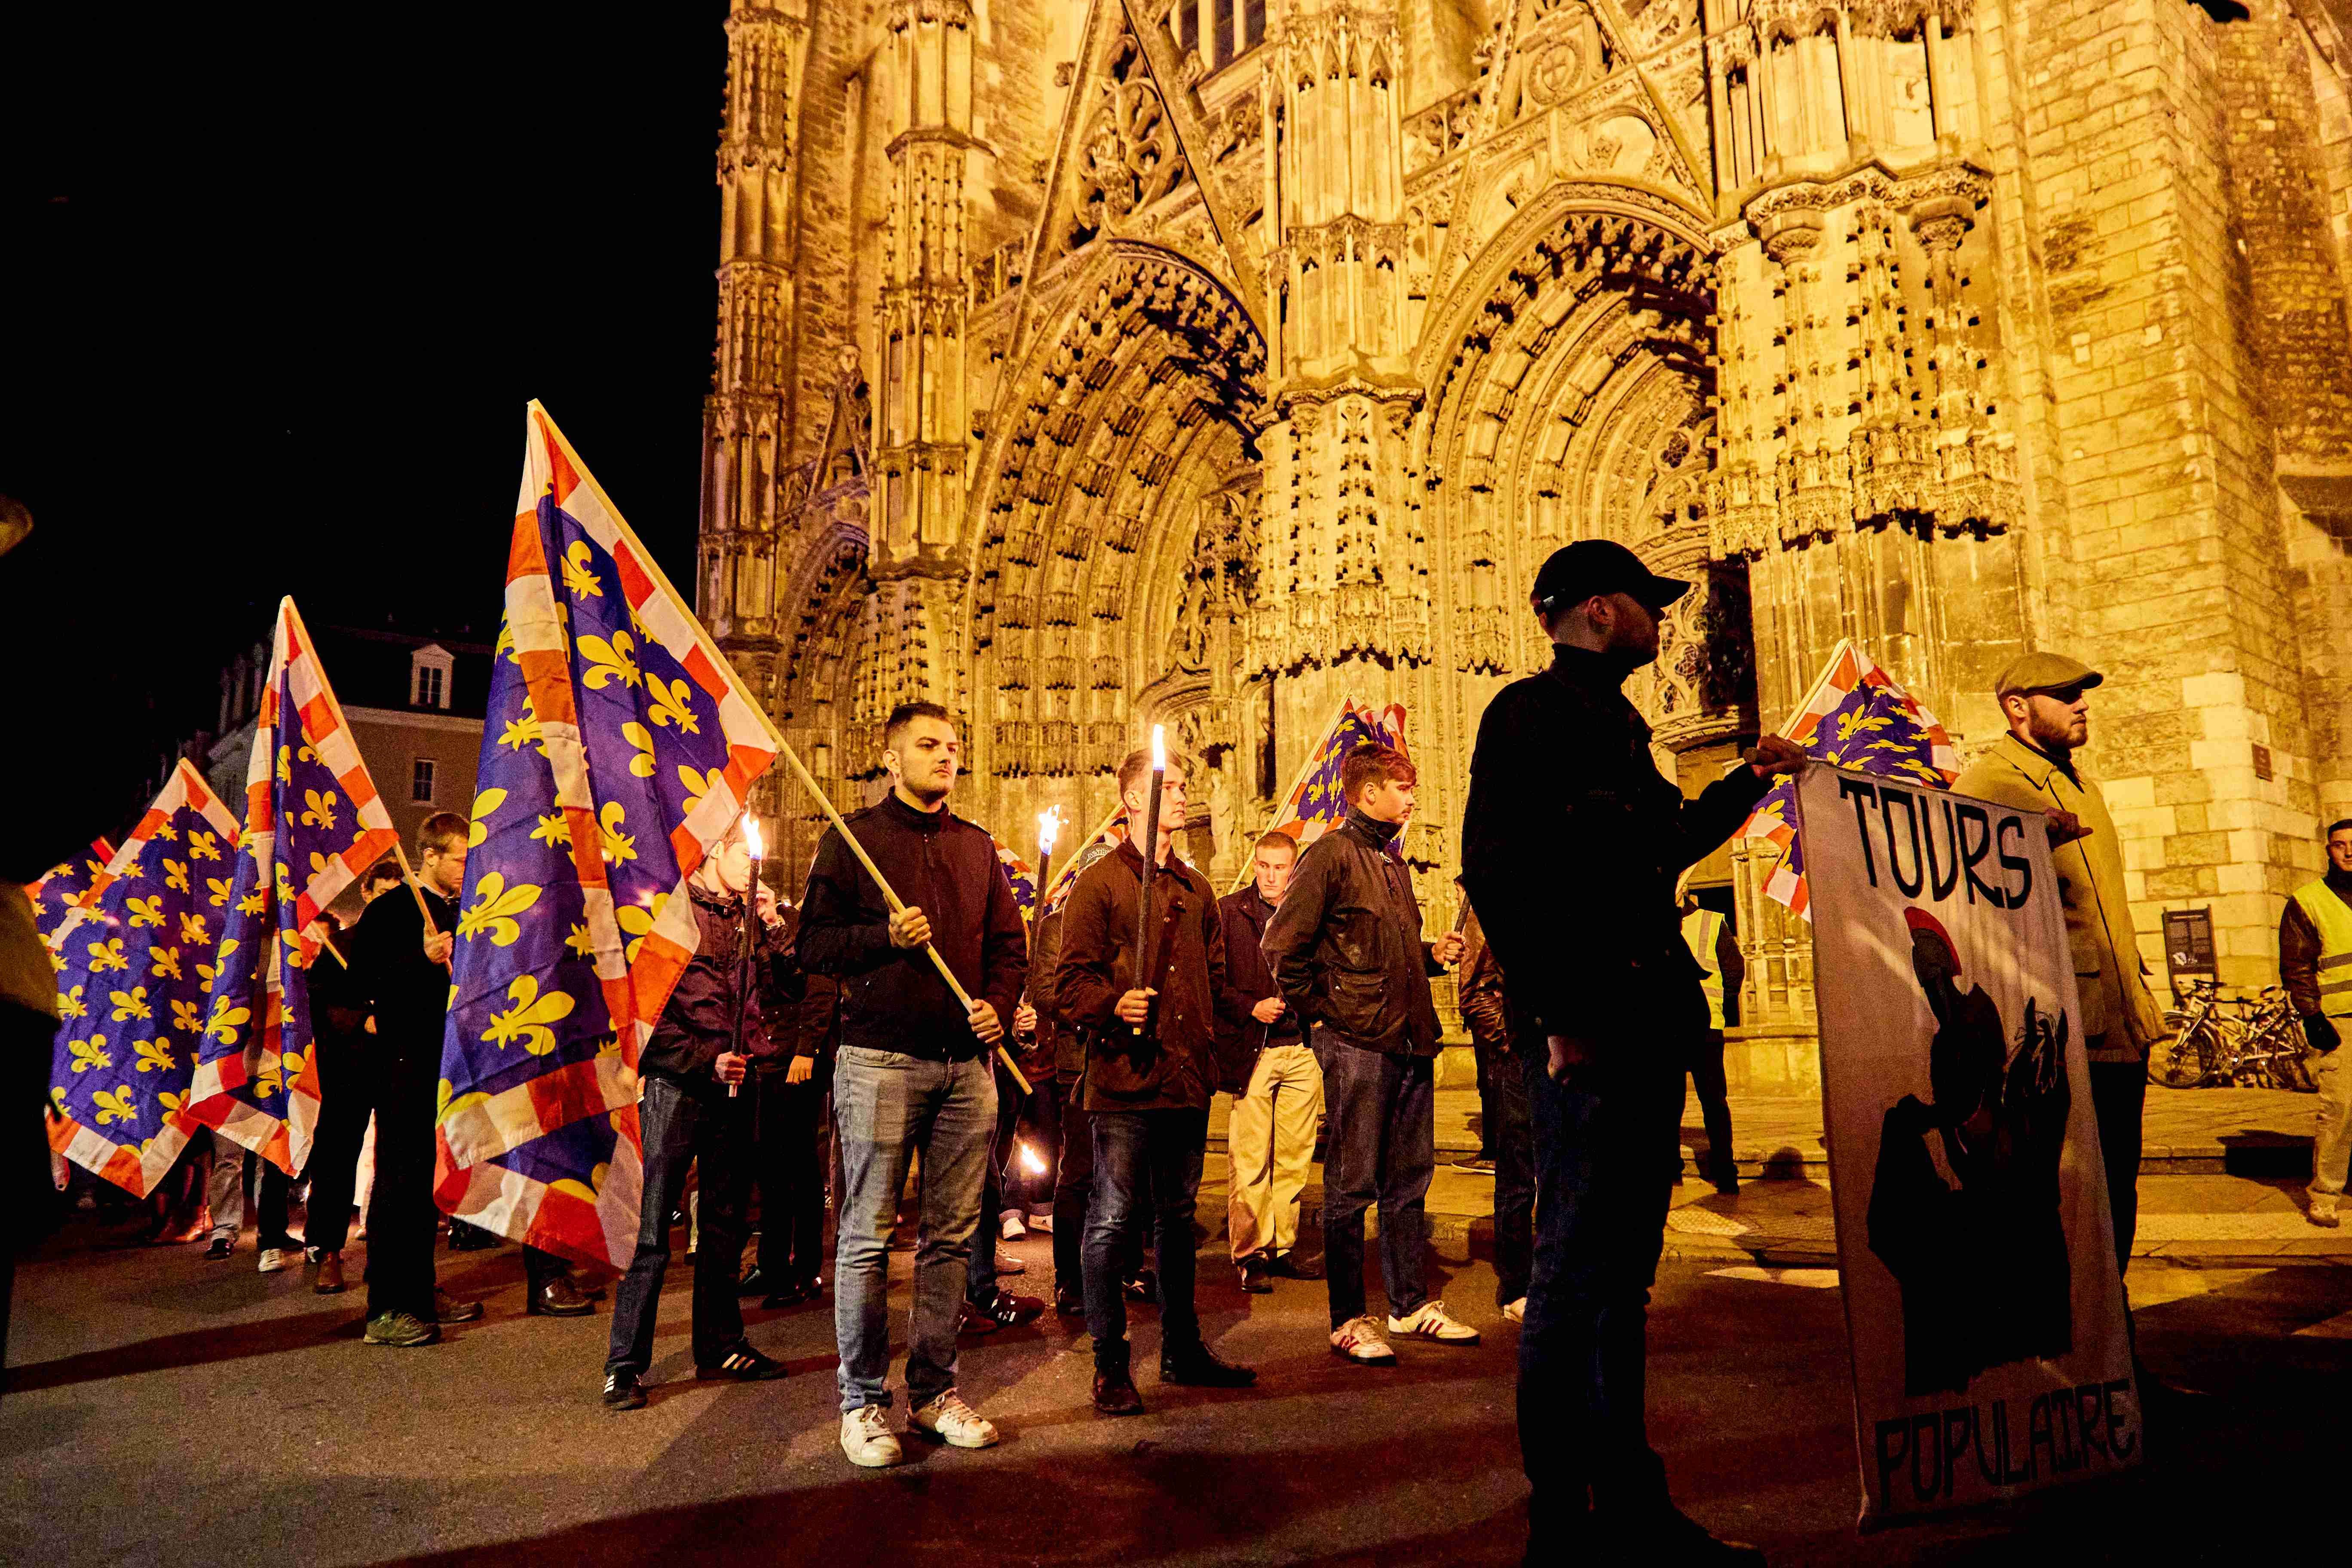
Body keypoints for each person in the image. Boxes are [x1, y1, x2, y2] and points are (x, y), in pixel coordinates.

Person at [1461, 539, 1803, 1564]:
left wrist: (1750, 779)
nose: (1663, 621)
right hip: (1590, 1033)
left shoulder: (1618, 726)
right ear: (1600, 611)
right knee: (1570, 1276)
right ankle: (1560, 1521)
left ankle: (1630, 1500)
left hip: (1650, 1023)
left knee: (1623, 1277)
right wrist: (1559, 1016)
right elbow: (1496, 874)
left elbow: (1667, 840)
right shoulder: (1526, 715)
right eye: (1648, 603)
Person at [798, 701, 1027, 1468]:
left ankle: (933, 1392)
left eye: (953, 746)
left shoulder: (976, 845)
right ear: (892, 759)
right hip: (880, 1060)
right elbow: (813, 945)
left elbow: (1009, 945)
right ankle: (861, 1402)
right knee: (867, 1237)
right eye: (929, 745)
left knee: (951, 1239)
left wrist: (997, 1004)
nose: (946, 756)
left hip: (966, 1066)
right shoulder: (854, 839)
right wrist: (884, 936)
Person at [1055, 745, 1256, 1413]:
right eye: (1170, 788)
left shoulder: (1197, 890)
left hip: (1184, 1077)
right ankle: (1110, 1364)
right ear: (1134, 799)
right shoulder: (1099, 884)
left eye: (1183, 788)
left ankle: (1182, 1347)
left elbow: (1214, 981)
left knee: (1177, 1218)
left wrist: (1220, 1048)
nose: (1182, 796)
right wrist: (1114, 1003)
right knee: (1113, 1220)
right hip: (1124, 1079)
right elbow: (1069, 984)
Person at [1952, 652, 2165, 1280]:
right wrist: (2017, 846)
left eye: (2082, 693)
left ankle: (2108, 1325)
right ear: (2018, 706)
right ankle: (2059, 1325)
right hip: (2057, 1032)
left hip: (2119, 1023)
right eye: (2066, 694)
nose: (2082, 704)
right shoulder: (1987, 785)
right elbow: (1962, 899)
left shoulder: (2081, 785)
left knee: (2116, 1188)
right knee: (2058, 1195)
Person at [1264, 743, 1474, 1366]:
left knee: (1408, 1182)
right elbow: (1283, 948)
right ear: (1368, 793)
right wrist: (1326, 1015)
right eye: (1401, 787)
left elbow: (1382, 951)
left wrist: (1431, 955)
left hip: (1410, 1040)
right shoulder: (1331, 855)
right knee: (1351, 1186)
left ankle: (1409, 1305)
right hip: (1358, 1043)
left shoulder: (1392, 862)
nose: (1411, 797)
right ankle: (1348, 1319)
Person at [602, 815, 804, 1409]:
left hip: (739, 1086)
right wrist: (705, 1060)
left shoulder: (749, 918)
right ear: (716, 851)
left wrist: (774, 925)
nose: (754, 866)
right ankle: (625, 1363)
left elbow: (790, 990)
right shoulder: (669, 917)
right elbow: (644, 1019)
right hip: (680, 1087)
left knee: (725, 1221)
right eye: (745, 854)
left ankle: (720, 1342)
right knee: (652, 1228)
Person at [346, 814, 486, 1347]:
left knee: (426, 1183)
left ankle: (420, 1290)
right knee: (398, 1182)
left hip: (445, 1064)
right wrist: (418, 959)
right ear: (429, 856)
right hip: (402, 1062)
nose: (467, 867)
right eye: (460, 858)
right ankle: (386, 1307)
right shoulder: (389, 911)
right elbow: (362, 984)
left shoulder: (459, 910)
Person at [1216, 831, 1324, 1293]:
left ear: (1294, 869)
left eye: (1280, 867)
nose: (1271, 876)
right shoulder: (1230, 912)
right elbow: (1212, 980)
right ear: (1254, 865)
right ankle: (1251, 1253)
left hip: (1302, 1048)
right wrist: (1250, 1007)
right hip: (1254, 1049)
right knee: (1250, 1157)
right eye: (1264, 866)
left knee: (1294, 1157)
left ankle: (1282, 1246)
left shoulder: (1308, 910)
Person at [738, 912, 838, 1308]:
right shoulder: (742, 924)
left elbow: (819, 986)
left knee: (799, 1164)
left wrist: (807, 1049)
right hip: (762, 1057)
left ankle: (805, 1270)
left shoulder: (795, 923)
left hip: (795, 1059)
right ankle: (773, 1264)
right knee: (769, 1167)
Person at [1454, 887, 1531, 1323]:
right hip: (1521, 1058)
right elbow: (1475, 990)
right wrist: (1511, 1046)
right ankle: (1517, 1285)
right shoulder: (1498, 896)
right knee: (1518, 1176)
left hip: (1576, 1057)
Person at [2281, 817, 2352, 1227]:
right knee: (2340, 1109)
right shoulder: (2308, 901)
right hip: (2342, 1021)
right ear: (2328, 851)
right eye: (2340, 844)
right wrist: (2312, 1015)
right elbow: (2297, 965)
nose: (2350, 851)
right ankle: (2325, 1195)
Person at [1676, 882, 1740, 1195]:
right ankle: (1673, 1169)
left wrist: (1720, 1006)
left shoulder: (1711, 921)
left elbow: (1734, 969)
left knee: (1712, 1101)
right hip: (1671, 1028)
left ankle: (1725, 1170)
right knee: (1670, 1103)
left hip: (1704, 1029)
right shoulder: (1649, 921)